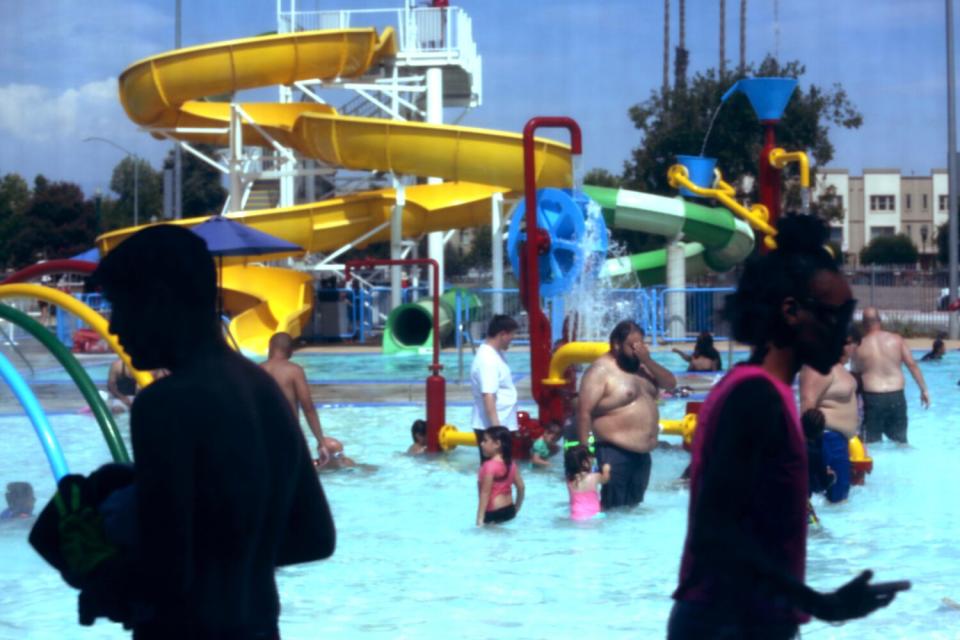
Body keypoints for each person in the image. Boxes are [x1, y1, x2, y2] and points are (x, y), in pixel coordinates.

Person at [668, 214, 909, 639]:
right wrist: (820, 603)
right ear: (792, 311)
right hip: (727, 623)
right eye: (836, 315)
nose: (844, 332)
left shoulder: (761, 390)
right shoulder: (754, 397)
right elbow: (717, 530)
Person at [89, 224, 335, 638]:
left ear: (160, 301)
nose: (113, 328)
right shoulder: (264, 391)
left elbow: (169, 573)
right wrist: (237, 566)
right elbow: (315, 538)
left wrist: (102, 576)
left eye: (121, 306)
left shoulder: (164, 404)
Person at [576, 320, 676, 510]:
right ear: (616, 345)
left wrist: (647, 360)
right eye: (633, 346)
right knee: (613, 510)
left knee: (632, 510)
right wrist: (584, 452)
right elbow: (584, 411)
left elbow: (671, 384)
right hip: (614, 452)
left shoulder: (642, 368)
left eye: (641, 345)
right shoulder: (601, 371)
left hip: (642, 455)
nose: (637, 351)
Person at [799, 325, 862, 503]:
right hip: (825, 440)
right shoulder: (821, 366)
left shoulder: (838, 368)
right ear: (847, 342)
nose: (854, 352)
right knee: (834, 498)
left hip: (838, 441)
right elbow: (807, 404)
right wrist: (811, 452)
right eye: (854, 345)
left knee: (838, 497)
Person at [852, 307, 930, 443]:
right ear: (880, 321)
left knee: (871, 444)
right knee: (901, 443)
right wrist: (924, 390)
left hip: (872, 398)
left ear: (863, 324)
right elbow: (912, 364)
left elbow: (856, 376)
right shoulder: (897, 340)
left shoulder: (858, 346)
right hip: (896, 397)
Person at [261, 332, 331, 466]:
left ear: (270, 347)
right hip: (288, 432)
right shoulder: (294, 370)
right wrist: (321, 441)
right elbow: (308, 407)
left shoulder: (257, 370)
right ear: (291, 352)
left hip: (263, 435)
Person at [470, 315, 519, 430]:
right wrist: (496, 430)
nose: (513, 338)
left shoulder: (496, 354)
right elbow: (488, 395)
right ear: (502, 334)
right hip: (493, 427)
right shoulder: (488, 360)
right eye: (512, 334)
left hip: (502, 423)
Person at [476, 426, 524, 526]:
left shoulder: (489, 466)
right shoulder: (511, 464)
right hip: (510, 510)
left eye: (485, 441)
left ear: (497, 444)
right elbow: (521, 487)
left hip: (493, 512)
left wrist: (479, 519)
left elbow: (485, 494)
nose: (481, 444)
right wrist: (517, 507)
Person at [564, 445, 610, 521]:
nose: (593, 460)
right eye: (591, 459)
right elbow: (605, 479)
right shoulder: (594, 477)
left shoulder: (569, 480)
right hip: (594, 516)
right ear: (585, 463)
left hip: (575, 516)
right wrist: (606, 469)